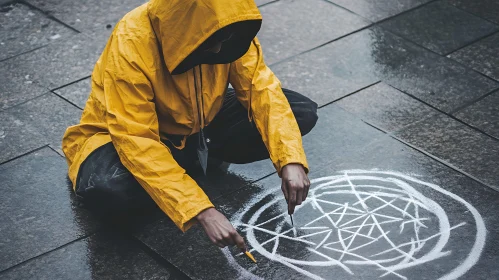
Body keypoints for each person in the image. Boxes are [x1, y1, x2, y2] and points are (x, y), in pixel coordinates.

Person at [62, 0, 318, 251]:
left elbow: (262, 91)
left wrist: (290, 160)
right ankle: (182, 172)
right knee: (107, 189)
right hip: (121, 134)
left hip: (200, 123)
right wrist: (201, 211)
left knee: (299, 112)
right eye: (210, 41)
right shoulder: (131, 41)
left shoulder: (228, 20)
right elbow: (136, 138)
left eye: (223, 37)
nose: (219, 49)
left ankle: (186, 164)